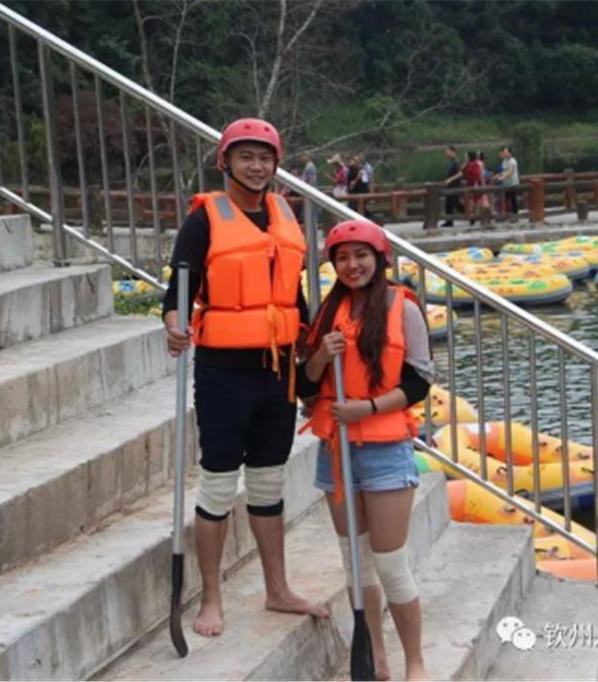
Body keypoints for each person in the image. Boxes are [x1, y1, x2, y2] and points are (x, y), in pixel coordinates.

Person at [162, 117, 329, 637]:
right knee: (217, 486)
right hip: (223, 373)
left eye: (264, 157)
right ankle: (211, 597)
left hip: (277, 373)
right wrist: (174, 325)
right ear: (226, 162)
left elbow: (292, 294)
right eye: (245, 157)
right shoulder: (204, 219)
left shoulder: (284, 213)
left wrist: (310, 350)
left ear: (275, 164)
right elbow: (177, 294)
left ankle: (277, 588)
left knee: (267, 482)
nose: (256, 166)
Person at [298, 220, 433, 681]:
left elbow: (419, 381)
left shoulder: (403, 307)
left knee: (390, 565)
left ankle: (415, 661)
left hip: (385, 450)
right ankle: (375, 655)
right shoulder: (328, 312)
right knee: (354, 564)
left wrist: (368, 408)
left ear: (379, 259)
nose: (352, 265)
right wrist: (321, 355)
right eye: (342, 257)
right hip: (336, 452)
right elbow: (304, 386)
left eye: (361, 255)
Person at [461, 150, 485, 225]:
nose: (465, 158)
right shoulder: (467, 164)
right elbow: (462, 171)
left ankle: (475, 216)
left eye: (466, 156)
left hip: (474, 184)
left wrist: (477, 183)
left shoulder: (475, 164)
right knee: (470, 201)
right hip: (469, 184)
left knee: (475, 201)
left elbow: (477, 175)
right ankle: (472, 216)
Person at [441, 146, 462, 227]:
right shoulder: (450, 162)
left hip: (455, 186)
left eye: (447, 151)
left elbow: (460, 174)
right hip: (449, 186)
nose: (446, 153)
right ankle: (449, 221)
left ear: (452, 152)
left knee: (456, 203)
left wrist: (450, 179)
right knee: (448, 204)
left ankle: (471, 217)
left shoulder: (456, 162)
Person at [496, 146, 520, 217]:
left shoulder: (512, 161)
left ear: (510, 153)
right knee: (505, 199)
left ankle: (515, 215)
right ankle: (507, 215)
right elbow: (504, 170)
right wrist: (498, 175)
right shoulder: (505, 161)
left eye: (506, 152)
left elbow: (510, 172)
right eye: (504, 152)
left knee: (513, 200)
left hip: (512, 183)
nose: (505, 153)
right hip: (506, 184)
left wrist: (502, 177)